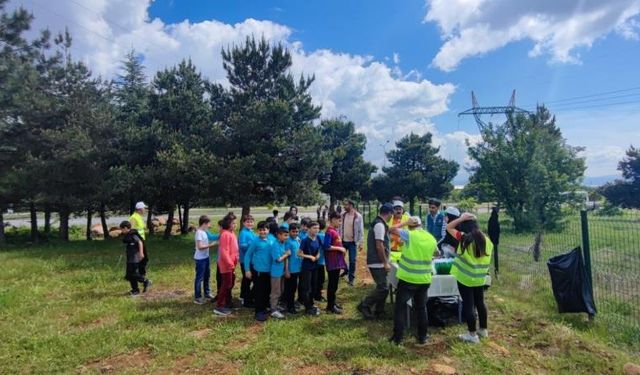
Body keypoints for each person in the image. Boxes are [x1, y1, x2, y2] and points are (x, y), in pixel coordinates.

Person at [388, 216, 436, 345]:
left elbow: (391, 229)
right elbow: (436, 253)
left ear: (410, 226)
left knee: (400, 307)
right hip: (424, 279)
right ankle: (423, 337)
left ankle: (398, 338)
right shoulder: (430, 237)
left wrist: (404, 222)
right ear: (421, 225)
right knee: (421, 307)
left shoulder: (409, 235)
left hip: (408, 279)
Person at [447, 213, 493, 344]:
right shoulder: (487, 240)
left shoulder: (463, 238)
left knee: (469, 305)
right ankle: (483, 330)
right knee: (480, 302)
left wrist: (461, 218)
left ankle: (472, 335)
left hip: (465, 278)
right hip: (480, 277)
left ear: (464, 226)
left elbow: (449, 227)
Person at [357, 203, 394, 319]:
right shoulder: (379, 225)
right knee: (383, 288)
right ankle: (365, 305)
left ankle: (380, 311)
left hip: (377, 261)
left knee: (383, 287)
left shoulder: (379, 223)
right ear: (389, 213)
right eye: (391, 214)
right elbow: (379, 246)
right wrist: (385, 262)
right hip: (377, 261)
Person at [244, 221, 272, 321]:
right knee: (259, 292)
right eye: (260, 230)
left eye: (264, 229)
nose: (262, 232)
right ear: (257, 231)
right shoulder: (255, 241)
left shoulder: (271, 240)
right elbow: (247, 255)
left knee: (267, 291)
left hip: (269, 272)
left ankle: (264, 308)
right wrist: (247, 270)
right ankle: (258, 312)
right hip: (258, 272)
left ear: (268, 230)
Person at [214, 213, 239, 317]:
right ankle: (220, 305)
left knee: (230, 283)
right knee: (226, 284)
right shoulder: (225, 234)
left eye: (235, 223)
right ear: (228, 224)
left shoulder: (231, 233)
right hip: (226, 265)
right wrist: (229, 263)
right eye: (233, 223)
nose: (235, 224)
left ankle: (228, 302)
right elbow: (224, 251)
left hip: (231, 264)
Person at [323, 212, 347, 314]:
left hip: (336, 262)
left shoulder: (334, 231)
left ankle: (333, 303)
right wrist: (340, 248)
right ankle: (330, 307)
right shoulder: (329, 232)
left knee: (335, 284)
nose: (340, 223)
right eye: (339, 220)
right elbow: (326, 246)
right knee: (332, 284)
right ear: (332, 220)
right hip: (332, 263)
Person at [119, 221, 151, 296]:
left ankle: (146, 281)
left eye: (122, 229)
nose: (121, 231)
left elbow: (140, 242)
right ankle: (135, 290)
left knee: (132, 273)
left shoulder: (133, 234)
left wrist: (141, 253)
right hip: (130, 258)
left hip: (135, 258)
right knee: (129, 275)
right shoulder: (128, 236)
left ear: (126, 228)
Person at [298, 221, 322, 315]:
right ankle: (307, 308)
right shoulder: (305, 240)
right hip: (307, 267)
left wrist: (318, 255)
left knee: (313, 286)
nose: (316, 230)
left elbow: (319, 249)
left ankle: (311, 304)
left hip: (315, 266)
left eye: (318, 228)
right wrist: (310, 257)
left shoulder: (318, 238)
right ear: (308, 229)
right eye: (314, 228)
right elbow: (299, 253)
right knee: (307, 288)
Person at [339, 199, 364, 286]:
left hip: (352, 242)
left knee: (352, 260)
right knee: (340, 258)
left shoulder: (358, 216)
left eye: (346, 205)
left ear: (351, 205)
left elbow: (361, 230)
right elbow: (339, 227)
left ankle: (351, 279)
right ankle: (346, 270)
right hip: (342, 241)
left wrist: (361, 242)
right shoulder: (342, 215)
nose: (344, 206)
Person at [193, 215, 217, 304]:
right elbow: (199, 247)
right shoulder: (199, 233)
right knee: (199, 278)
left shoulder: (204, 231)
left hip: (206, 258)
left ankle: (207, 293)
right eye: (209, 224)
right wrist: (212, 245)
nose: (209, 225)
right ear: (204, 223)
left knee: (207, 275)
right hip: (200, 259)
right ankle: (197, 297)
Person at [270, 227, 290, 319]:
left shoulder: (282, 243)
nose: (287, 237)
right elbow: (278, 259)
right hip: (276, 272)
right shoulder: (275, 244)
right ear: (278, 235)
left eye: (287, 235)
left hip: (281, 271)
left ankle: (276, 306)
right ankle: (273, 310)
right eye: (285, 235)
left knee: (281, 290)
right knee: (276, 291)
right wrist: (286, 254)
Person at [283, 223, 302, 314]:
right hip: (291, 269)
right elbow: (286, 257)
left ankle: (291, 305)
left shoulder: (298, 240)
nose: (295, 233)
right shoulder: (288, 242)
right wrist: (286, 270)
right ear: (289, 231)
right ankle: (290, 307)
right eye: (293, 231)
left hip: (298, 268)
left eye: (297, 231)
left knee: (294, 288)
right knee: (290, 289)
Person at [238, 215, 256, 307]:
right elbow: (241, 245)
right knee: (248, 279)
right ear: (244, 223)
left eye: (251, 222)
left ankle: (244, 296)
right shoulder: (243, 233)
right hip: (245, 260)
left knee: (247, 280)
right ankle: (247, 299)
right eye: (247, 222)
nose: (250, 223)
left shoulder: (251, 231)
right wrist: (250, 244)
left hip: (252, 260)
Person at [129, 202, 149, 278]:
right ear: (139, 209)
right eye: (144, 208)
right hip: (137, 241)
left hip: (142, 240)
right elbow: (131, 230)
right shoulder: (133, 217)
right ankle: (140, 273)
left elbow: (140, 228)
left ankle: (141, 273)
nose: (145, 210)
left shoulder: (139, 216)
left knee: (145, 258)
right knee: (142, 257)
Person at [313, 219, 327, 302]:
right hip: (321, 261)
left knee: (315, 279)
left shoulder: (314, 235)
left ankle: (315, 294)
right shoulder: (323, 236)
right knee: (320, 279)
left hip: (314, 261)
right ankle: (318, 295)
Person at [488, 207, 500, 274]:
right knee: (495, 251)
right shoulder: (496, 219)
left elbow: (489, 229)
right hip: (495, 237)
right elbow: (498, 230)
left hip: (492, 237)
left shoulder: (491, 219)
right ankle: (496, 269)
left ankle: (496, 269)